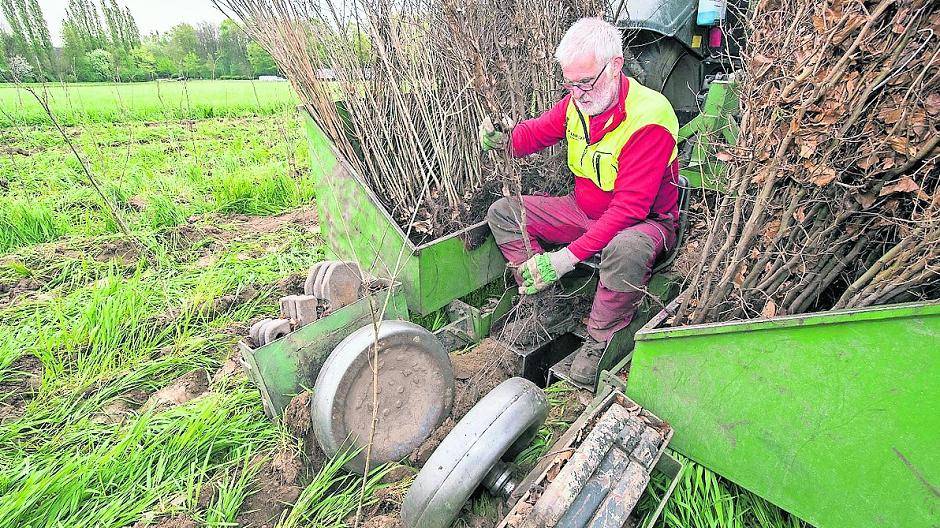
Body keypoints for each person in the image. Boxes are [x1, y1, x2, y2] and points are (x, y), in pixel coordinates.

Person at [480, 17, 679, 384]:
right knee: (505, 213)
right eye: (570, 84)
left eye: (586, 82)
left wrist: (564, 259)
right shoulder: (578, 104)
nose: (578, 93)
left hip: (643, 224)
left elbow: (629, 210)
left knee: (624, 249)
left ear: (615, 65)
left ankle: (602, 338)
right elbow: (534, 134)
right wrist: (504, 139)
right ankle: (548, 304)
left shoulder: (650, 117)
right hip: (584, 211)